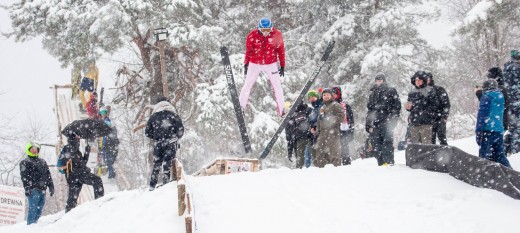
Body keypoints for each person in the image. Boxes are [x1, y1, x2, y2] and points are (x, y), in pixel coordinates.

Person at [240, 17, 286, 116]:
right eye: (263, 30)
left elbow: (281, 51)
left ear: (271, 28)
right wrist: (246, 64)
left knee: (277, 87)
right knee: (247, 85)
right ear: (259, 29)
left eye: (268, 30)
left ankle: (282, 110)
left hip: (271, 64)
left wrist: (282, 65)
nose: (265, 32)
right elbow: (249, 51)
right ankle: (241, 107)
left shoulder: (276, 35)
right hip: (255, 63)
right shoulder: (252, 35)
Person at [145, 97, 184, 191]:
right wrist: (175, 137)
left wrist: (156, 137)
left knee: (156, 165)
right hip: (171, 142)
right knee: (167, 163)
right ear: (168, 104)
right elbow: (181, 130)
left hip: (158, 143)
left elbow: (147, 132)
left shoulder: (153, 116)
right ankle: (166, 185)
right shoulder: (173, 115)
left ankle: (152, 186)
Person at [58, 133, 104, 212]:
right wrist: (68, 160)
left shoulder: (77, 151)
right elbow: (63, 163)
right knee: (97, 180)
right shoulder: (68, 148)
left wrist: (87, 152)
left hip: (77, 175)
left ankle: (69, 212)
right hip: (75, 174)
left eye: (79, 138)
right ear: (72, 138)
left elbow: (82, 163)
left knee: (73, 196)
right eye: (77, 138)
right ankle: (99, 202)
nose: (79, 139)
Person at [366, 74, 401, 166]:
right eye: (377, 80)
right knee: (376, 144)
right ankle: (381, 164)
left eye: (380, 80)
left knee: (387, 142)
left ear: (384, 81)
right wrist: (368, 124)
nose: (378, 82)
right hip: (375, 123)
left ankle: (388, 163)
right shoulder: (372, 93)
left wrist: (393, 119)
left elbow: (396, 106)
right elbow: (370, 110)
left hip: (387, 122)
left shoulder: (391, 90)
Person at [476, 79, 511, 168]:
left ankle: (483, 175)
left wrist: (478, 131)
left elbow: (482, 115)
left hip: (488, 130)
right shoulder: (501, 97)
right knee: (500, 156)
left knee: (484, 156)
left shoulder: (487, 96)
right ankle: (511, 174)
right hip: (499, 130)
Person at [19, 142, 54, 224]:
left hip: (43, 189)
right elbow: (24, 177)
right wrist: (27, 188)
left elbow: (48, 175)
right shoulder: (25, 162)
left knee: (40, 208)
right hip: (33, 189)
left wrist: (51, 186)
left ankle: (35, 225)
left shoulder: (43, 161)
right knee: (33, 208)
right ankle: (30, 226)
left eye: (36, 149)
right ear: (29, 150)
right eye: (32, 149)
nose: (34, 151)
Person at [311, 88, 344, 168]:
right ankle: (321, 174)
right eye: (324, 95)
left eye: (327, 95)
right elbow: (320, 122)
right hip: (322, 134)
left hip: (333, 134)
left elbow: (341, 118)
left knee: (334, 155)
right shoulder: (322, 107)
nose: (325, 96)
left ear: (331, 96)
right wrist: (315, 132)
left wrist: (328, 118)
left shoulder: (336, 105)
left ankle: (337, 173)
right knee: (320, 155)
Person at [405, 71, 439, 144]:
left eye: (420, 80)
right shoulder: (412, 91)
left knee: (426, 144)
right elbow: (410, 106)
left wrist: (426, 114)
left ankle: (426, 155)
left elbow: (434, 106)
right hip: (414, 122)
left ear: (424, 80)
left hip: (426, 122)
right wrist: (408, 107)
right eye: (416, 80)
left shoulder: (430, 90)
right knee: (415, 145)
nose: (418, 82)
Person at [285, 100, 313, 168]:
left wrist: (302, 106)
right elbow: (289, 137)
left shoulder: (307, 110)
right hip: (299, 139)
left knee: (312, 156)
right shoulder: (290, 119)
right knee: (300, 159)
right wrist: (290, 152)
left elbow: (312, 112)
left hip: (310, 137)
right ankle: (299, 172)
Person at [332, 86, 354, 165]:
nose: (333, 95)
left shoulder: (346, 106)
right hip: (333, 131)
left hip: (344, 130)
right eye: (332, 94)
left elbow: (351, 119)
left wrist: (351, 131)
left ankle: (346, 164)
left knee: (344, 147)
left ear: (339, 94)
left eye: (335, 93)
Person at [426, 72, 450, 145]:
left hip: (440, 118)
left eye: (427, 78)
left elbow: (446, 104)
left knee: (442, 138)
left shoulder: (439, 89)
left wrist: (444, 116)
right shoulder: (423, 91)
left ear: (431, 79)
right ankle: (433, 156)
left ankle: (445, 155)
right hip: (428, 120)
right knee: (430, 141)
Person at [503, 50, 520, 154]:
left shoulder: (506, 68)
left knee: (513, 128)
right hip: (518, 101)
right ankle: (516, 152)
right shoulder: (517, 69)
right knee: (517, 130)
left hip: (510, 102)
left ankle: (505, 150)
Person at [99, 107, 119, 179]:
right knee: (106, 158)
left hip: (109, 142)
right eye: (102, 113)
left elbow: (108, 127)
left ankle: (111, 174)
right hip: (105, 142)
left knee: (109, 159)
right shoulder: (103, 120)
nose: (103, 114)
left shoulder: (108, 120)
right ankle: (111, 173)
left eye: (104, 112)